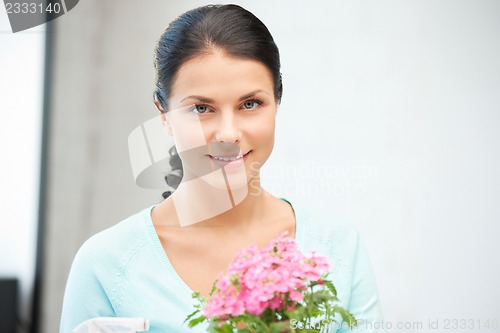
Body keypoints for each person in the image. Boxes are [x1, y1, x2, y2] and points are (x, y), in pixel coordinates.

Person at [60, 4, 384, 332]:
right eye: (202, 108)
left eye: (250, 104)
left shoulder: (339, 249)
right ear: (163, 113)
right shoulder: (106, 265)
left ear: (277, 101)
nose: (228, 134)